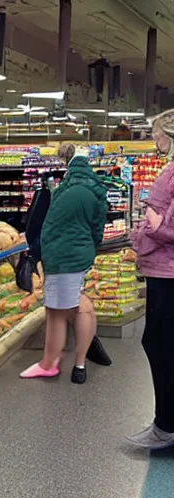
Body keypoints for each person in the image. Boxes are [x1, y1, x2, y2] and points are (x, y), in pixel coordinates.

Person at [20, 143, 108, 384]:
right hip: (77, 253)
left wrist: (39, 252)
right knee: (71, 305)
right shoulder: (94, 187)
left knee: (65, 310)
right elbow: (97, 226)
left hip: (64, 257)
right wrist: (90, 246)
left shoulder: (66, 188)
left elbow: (52, 225)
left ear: (66, 162)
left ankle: (58, 365)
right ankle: (73, 361)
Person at [128, 109, 174, 449]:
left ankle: (167, 424)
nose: (155, 142)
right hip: (163, 268)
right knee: (159, 342)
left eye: (157, 135)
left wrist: (150, 226)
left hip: (168, 271)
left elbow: (165, 225)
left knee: (160, 343)